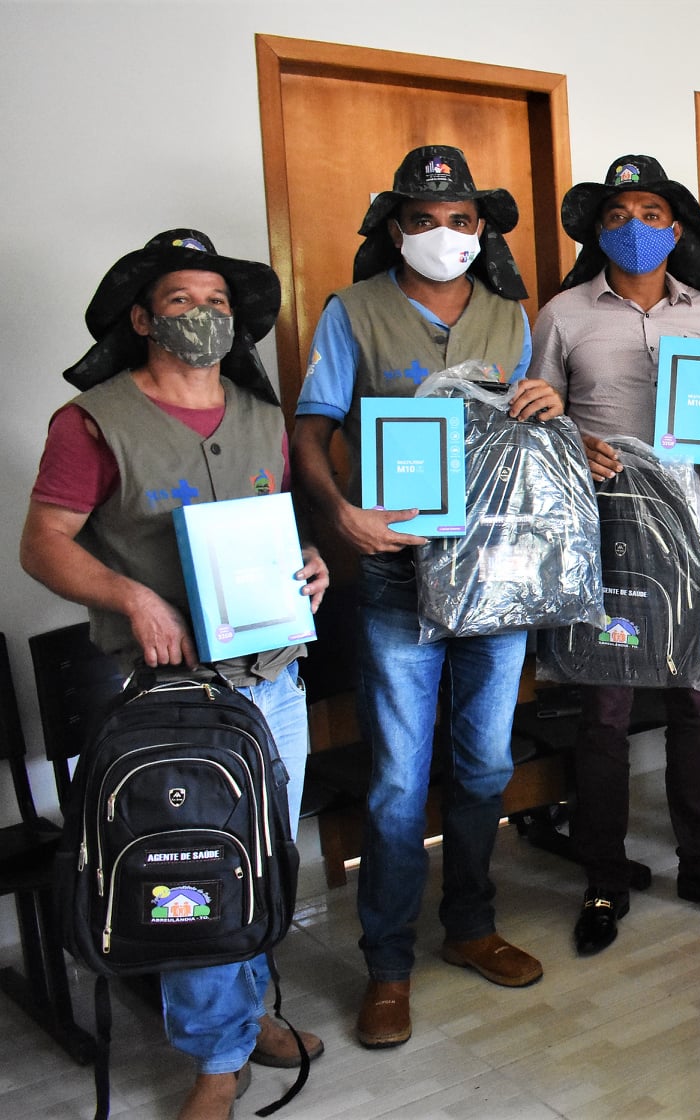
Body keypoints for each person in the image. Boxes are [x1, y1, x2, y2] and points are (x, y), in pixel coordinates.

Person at [19, 229, 329, 1120]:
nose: (203, 316)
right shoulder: (92, 422)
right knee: (194, 870)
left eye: (218, 303)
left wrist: (310, 562)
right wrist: (132, 598)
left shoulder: (260, 414)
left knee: (260, 857)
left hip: (272, 681)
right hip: (169, 698)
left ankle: (252, 1016)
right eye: (183, 301)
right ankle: (216, 1062)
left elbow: (271, 527)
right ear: (143, 317)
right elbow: (42, 544)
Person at [292, 146, 562, 1049]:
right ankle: (388, 965)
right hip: (395, 581)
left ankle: (472, 925)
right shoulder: (353, 311)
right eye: (421, 219)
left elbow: (516, 439)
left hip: (494, 577)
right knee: (400, 783)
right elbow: (310, 430)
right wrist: (344, 517)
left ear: (480, 228)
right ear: (394, 227)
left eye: (458, 220)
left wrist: (545, 407)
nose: (442, 235)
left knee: (484, 766)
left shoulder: (506, 313)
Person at [531, 155, 700, 956]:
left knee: (695, 702)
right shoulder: (563, 314)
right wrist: (576, 438)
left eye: (651, 213)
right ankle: (603, 876)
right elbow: (533, 423)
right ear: (597, 230)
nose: (633, 228)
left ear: (676, 228)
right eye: (615, 215)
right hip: (607, 539)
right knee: (602, 710)